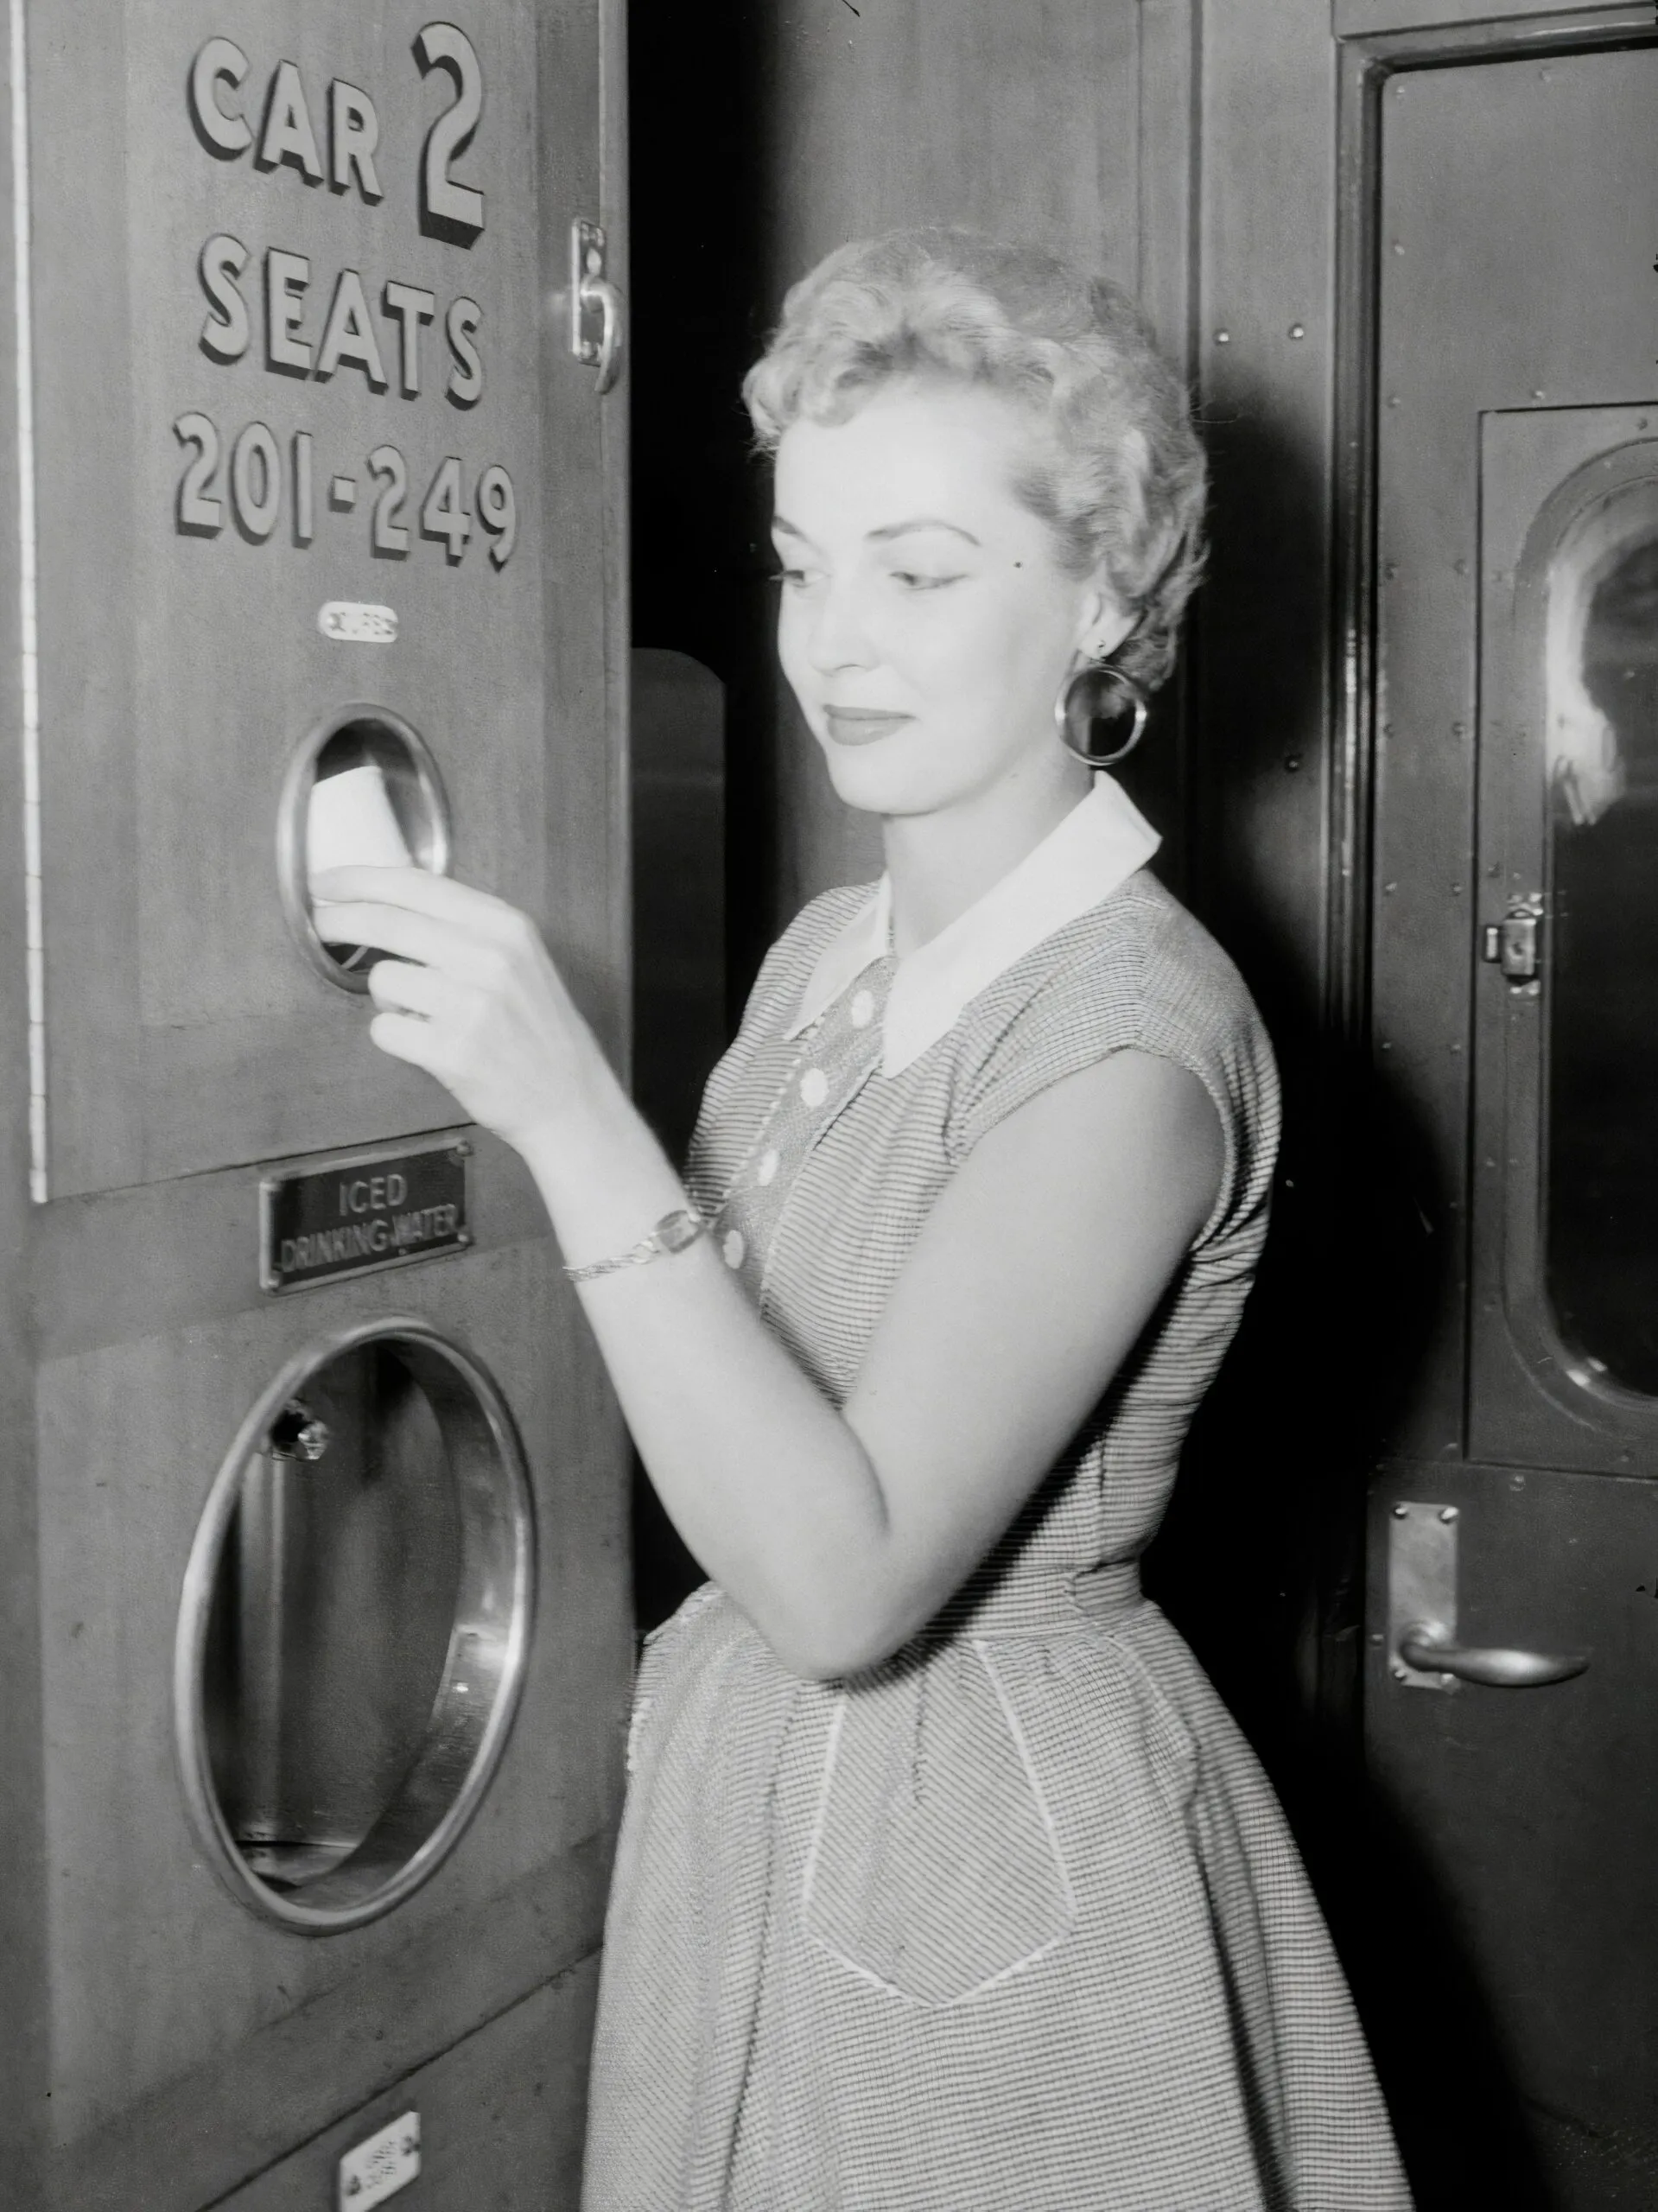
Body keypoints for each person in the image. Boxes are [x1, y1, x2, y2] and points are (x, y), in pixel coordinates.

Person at [313, 228, 1410, 2211]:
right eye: (805, 566)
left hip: (987, 1872)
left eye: (917, 572)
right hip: (739, 1811)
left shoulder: (1131, 1040)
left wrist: (571, 1113)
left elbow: (847, 1581)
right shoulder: (823, 958)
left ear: (1097, 596)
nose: (833, 645)